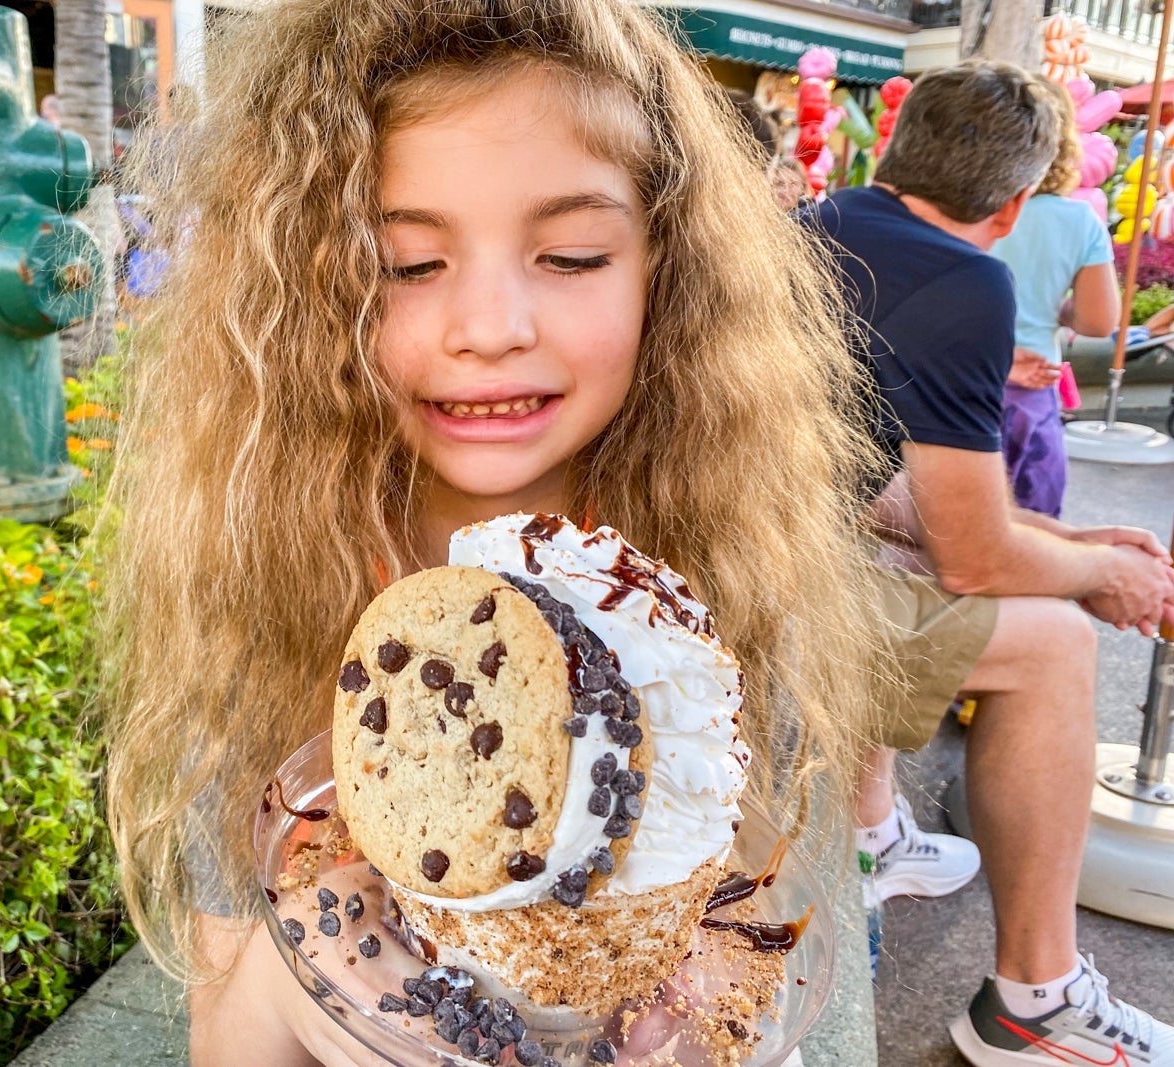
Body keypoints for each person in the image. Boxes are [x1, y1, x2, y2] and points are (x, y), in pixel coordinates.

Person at [100, 1, 893, 1064]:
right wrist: (302, 976)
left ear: (663, 270)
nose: (489, 327)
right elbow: (226, 1039)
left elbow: (746, 971)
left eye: (570, 255)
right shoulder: (256, 607)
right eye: (404, 263)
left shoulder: (724, 615)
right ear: (308, 290)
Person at [806, 61, 1174, 1067]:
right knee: (1053, 643)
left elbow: (886, 493)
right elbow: (973, 556)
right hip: (764, 587)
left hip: (753, 540)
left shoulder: (825, 221)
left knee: (905, 549)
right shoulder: (967, 279)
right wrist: (1102, 579)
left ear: (897, 147)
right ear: (1012, 205)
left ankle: (874, 832)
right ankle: (1035, 1001)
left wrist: (1071, 542)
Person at [990, 80, 1118, 517]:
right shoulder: (1079, 221)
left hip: (959, 379)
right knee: (1033, 523)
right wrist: (1059, 309)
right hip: (1031, 390)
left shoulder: (962, 212)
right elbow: (1098, 322)